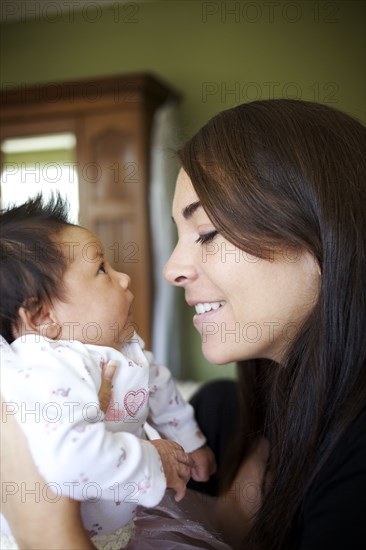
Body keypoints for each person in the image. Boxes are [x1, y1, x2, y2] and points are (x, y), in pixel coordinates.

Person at [2, 98, 366, 549]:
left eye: (208, 234)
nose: (170, 268)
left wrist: (43, 526)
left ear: (323, 232)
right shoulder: (229, 414)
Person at [0, 196, 216, 549]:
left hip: (118, 523)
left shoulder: (120, 349)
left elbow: (158, 384)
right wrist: (154, 458)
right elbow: (70, 458)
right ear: (42, 318)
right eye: (102, 270)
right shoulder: (50, 366)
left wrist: (192, 442)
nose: (124, 278)